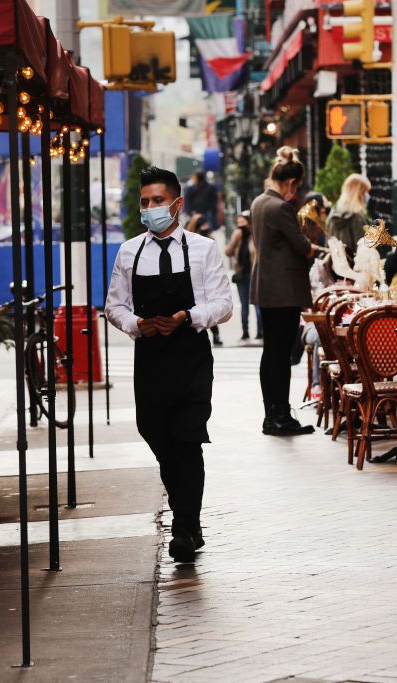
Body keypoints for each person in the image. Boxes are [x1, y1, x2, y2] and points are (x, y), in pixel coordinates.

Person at [106, 166, 232, 563]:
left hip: (191, 355)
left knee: (187, 439)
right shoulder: (129, 251)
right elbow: (114, 306)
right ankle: (186, 517)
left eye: (157, 201)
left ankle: (184, 526)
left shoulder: (203, 249)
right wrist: (136, 325)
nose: (150, 209)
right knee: (157, 436)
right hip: (150, 357)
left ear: (177, 204)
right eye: (144, 203)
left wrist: (186, 317)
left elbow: (224, 304)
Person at [250, 146, 317, 437]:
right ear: (291, 183)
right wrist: (311, 247)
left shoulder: (259, 202)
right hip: (284, 290)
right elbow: (301, 246)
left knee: (271, 353)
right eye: (297, 187)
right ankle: (280, 416)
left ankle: (272, 414)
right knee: (282, 354)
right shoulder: (281, 207)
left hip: (266, 286)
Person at [185, 215, 223, 345]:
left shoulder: (209, 241)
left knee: (209, 306)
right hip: (193, 278)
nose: (205, 230)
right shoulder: (188, 240)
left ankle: (215, 333)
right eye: (202, 229)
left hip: (206, 279)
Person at [224, 210, 262, 341]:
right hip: (241, 276)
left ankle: (260, 331)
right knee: (243, 305)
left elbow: (258, 254)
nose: (241, 226)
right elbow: (228, 252)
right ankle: (245, 331)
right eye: (238, 224)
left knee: (257, 304)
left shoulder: (255, 235)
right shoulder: (237, 236)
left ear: (249, 223)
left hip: (254, 275)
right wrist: (235, 239)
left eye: (243, 223)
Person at [327, 173, 372, 255]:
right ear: (359, 193)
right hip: (353, 265)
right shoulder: (357, 218)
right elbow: (363, 251)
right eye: (365, 192)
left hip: (335, 264)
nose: (367, 196)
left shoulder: (332, 214)